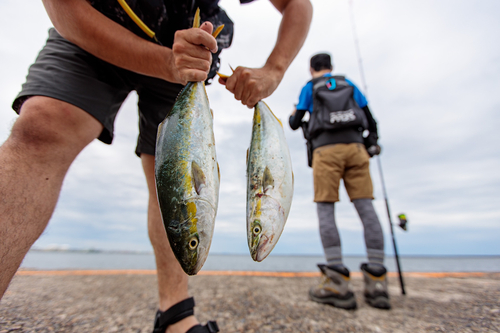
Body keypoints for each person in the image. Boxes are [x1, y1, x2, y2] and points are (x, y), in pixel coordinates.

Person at [0, 0, 312, 332]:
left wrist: (274, 69)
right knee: (45, 124)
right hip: (96, 26)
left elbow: (297, 5)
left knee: (166, 176)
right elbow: (64, 7)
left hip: (189, 51)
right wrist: (165, 61)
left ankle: (175, 315)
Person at [289, 53, 390, 310]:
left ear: (312, 68)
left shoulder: (310, 88)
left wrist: (295, 112)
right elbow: (371, 119)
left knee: (325, 208)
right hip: (356, 149)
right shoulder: (350, 84)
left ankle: (337, 281)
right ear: (331, 67)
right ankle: (377, 282)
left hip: (325, 151)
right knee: (366, 208)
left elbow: (293, 123)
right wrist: (372, 144)